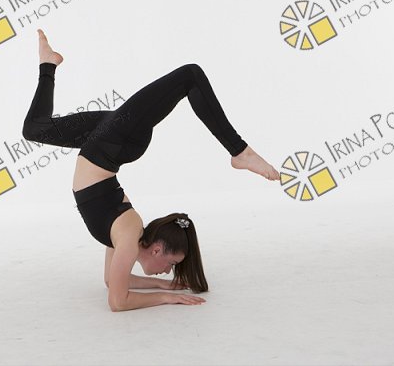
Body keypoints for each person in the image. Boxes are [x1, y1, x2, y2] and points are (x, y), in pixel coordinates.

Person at [22, 29, 280, 312]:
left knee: (35, 129)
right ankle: (240, 152)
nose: (167, 271)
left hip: (108, 142)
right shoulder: (129, 234)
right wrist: (166, 296)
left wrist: (164, 287)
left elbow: (112, 283)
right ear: (157, 249)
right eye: (171, 264)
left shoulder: (126, 237)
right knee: (190, 75)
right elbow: (118, 302)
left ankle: (48, 63)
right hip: (114, 143)